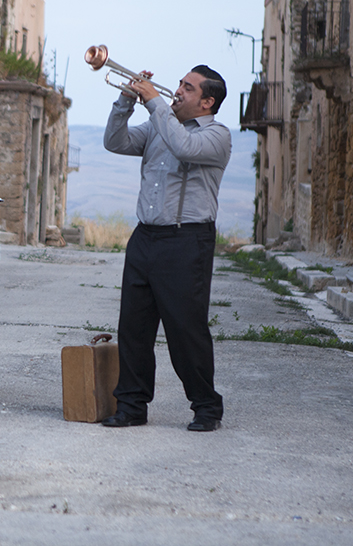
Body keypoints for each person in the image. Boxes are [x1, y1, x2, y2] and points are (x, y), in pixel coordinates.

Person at [100, 65, 230, 432]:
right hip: (145, 237)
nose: (176, 91)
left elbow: (184, 146)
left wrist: (154, 102)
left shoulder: (217, 136)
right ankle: (131, 405)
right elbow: (115, 142)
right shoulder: (161, 125)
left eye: (187, 89)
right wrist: (125, 100)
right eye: (178, 85)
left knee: (185, 330)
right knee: (133, 328)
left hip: (187, 241)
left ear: (207, 102)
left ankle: (206, 407)